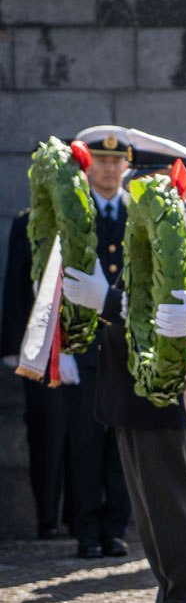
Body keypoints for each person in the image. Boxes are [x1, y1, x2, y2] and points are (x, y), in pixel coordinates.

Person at [62, 126, 186, 603]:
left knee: (170, 508)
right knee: (150, 514)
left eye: (143, 177)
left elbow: (166, 316)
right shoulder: (147, 227)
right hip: (129, 390)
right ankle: (171, 600)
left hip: (161, 394)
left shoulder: (182, 229)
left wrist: (104, 301)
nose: (135, 188)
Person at [52, 126, 135, 560]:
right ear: (88, 167)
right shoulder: (75, 214)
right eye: (100, 161)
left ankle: (115, 527)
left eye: (116, 161)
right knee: (84, 443)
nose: (108, 168)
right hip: (83, 347)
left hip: (123, 344)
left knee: (119, 445)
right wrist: (61, 346)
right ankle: (86, 529)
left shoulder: (139, 213)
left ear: (127, 166)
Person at [3, 206, 74, 541]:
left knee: (85, 434)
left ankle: (79, 514)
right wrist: (13, 346)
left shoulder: (86, 214)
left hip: (81, 345)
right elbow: (16, 282)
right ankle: (47, 517)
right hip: (40, 345)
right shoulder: (27, 221)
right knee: (46, 431)